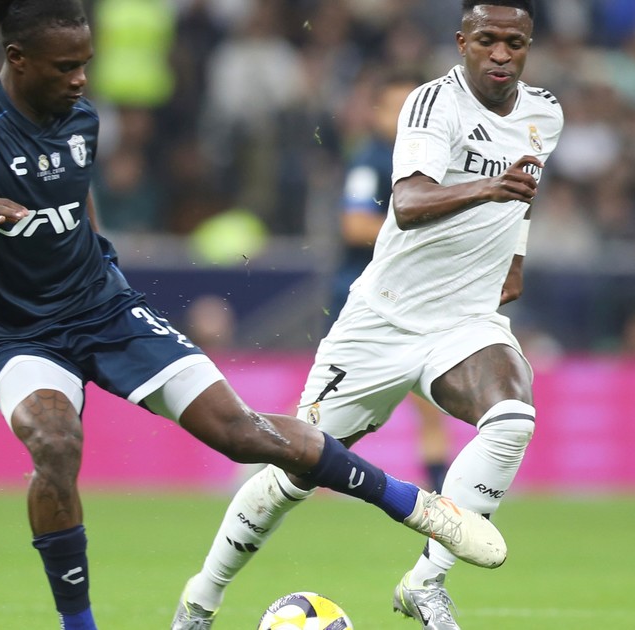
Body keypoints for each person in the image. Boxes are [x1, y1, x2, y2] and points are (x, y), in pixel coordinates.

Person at [0, 2, 505, 629]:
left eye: (85, 64)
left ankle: (417, 507)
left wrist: (98, 265)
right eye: (65, 67)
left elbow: (73, 199)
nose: (80, 79)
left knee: (241, 432)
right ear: (18, 59)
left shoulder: (81, 119)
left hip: (103, 310)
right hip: (17, 333)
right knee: (55, 442)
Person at [172, 2, 561, 628]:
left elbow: (526, 191)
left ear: (529, 44)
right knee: (293, 471)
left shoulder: (545, 113)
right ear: (462, 41)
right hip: (383, 322)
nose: (500, 54)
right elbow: (408, 201)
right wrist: (490, 188)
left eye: (513, 43)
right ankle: (202, 596)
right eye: (486, 39)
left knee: (512, 419)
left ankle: (425, 583)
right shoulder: (431, 104)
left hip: (465, 320)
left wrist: (514, 256)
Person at [334, 71, 453, 492]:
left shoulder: (433, 161)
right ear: (377, 113)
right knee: (330, 408)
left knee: (429, 404)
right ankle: (270, 463)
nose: (405, 120)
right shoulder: (370, 161)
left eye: (413, 109)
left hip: (414, 299)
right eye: (395, 109)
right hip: (367, 300)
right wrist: (423, 230)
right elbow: (354, 225)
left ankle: (443, 499)